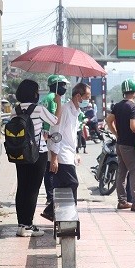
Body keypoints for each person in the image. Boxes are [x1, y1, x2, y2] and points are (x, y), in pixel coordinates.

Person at [13, 79, 61, 236]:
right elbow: (56, 121)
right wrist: (58, 102)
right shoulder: (39, 110)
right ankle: (28, 225)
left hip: (20, 152)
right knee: (33, 189)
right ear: (33, 93)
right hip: (37, 153)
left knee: (22, 187)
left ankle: (21, 224)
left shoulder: (16, 109)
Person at [41, 82, 92, 222]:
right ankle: (63, 215)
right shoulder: (64, 110)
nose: (88, 100)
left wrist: (75, 153)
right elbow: (56, 133)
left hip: (68, 154)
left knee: (64, 186)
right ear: (78, 96)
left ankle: (57, 214)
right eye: (87, 97)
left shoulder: (76, 112)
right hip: (61, 154)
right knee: (72, 183)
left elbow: (71, 136)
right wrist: (54, 158)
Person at [105, 79, 135, 213]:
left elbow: (108, 121)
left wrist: (117, 134)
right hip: (130, 146)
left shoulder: (118, 105)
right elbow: (133, 126)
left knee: (122, 173)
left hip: (120, 144)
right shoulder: (133, 107)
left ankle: (122, 201)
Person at [41, 74, 69, 206]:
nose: (64, 87)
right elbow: (54, 119)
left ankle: (50, 195)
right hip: (51, 135)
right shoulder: (54, 98)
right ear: (56, 85)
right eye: (62, 85)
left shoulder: (47, 97)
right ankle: (50, 196)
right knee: (51, 167)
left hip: (46, 135)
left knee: (49, 167)